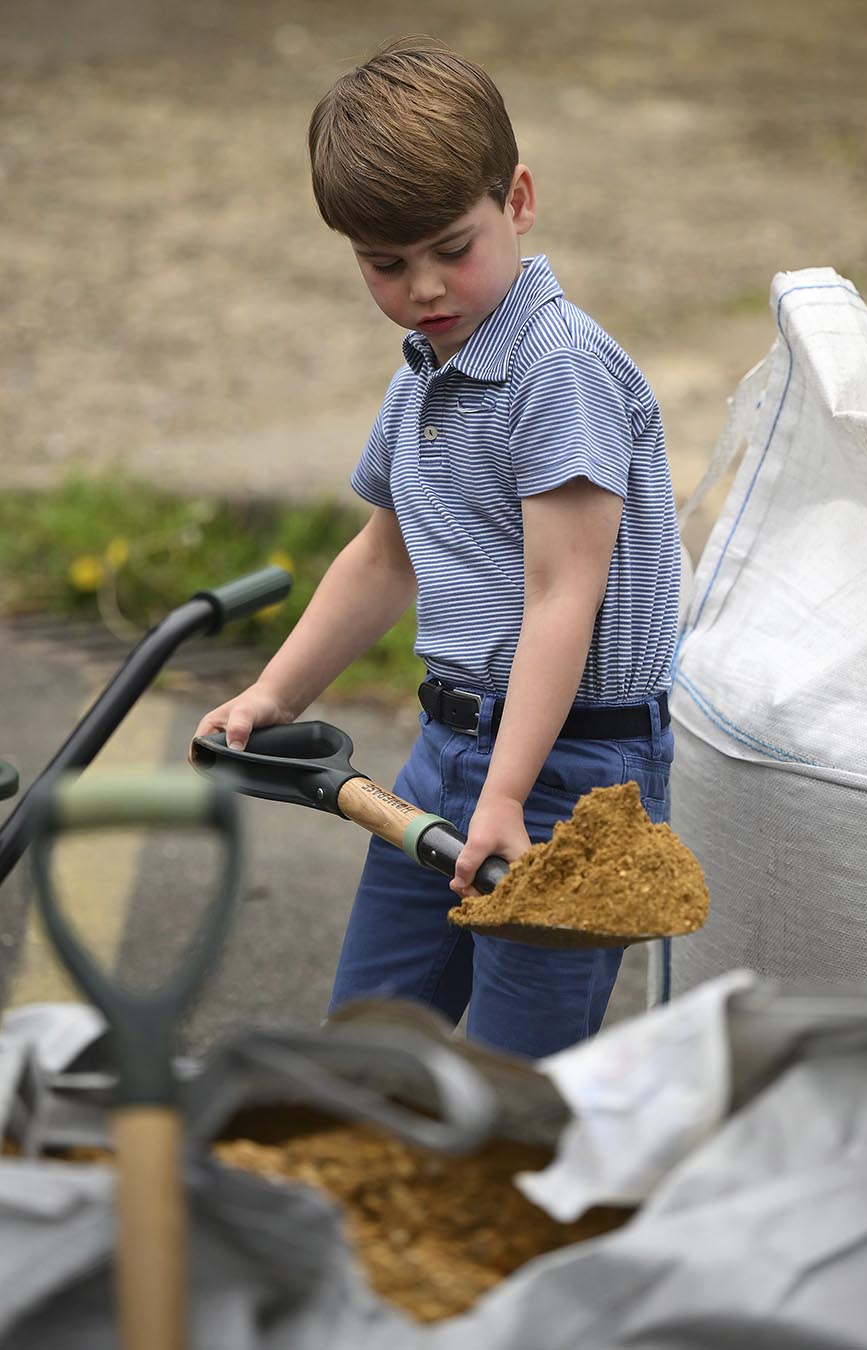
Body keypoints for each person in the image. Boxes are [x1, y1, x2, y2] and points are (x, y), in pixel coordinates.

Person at [193, 37, 680, 1059]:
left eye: (451, 248)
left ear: (518, 200)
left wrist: (506, 795)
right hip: (447, 755)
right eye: (385, 264)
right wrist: (274, 696)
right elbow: (385, 554)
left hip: (568, 775)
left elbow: (562, 598)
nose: (423, 288)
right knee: (368, 1048)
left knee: (514, 1086)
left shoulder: (561, 372)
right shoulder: (426, 369)